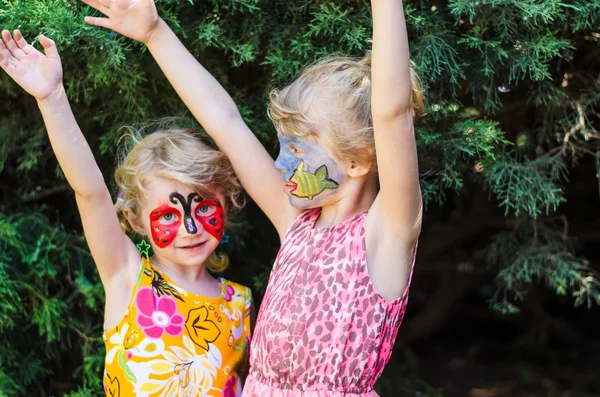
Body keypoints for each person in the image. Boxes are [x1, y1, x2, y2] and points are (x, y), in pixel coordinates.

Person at [79, 0, 424, 394]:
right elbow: (225, 120)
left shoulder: (386, 235)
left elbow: (392, 113)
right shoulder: (296, 224)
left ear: (358, 161)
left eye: (296, 150)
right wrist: (156, 35)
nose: (279, 164)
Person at [0, 29, 252, 397]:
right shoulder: (128, 278)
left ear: (224, 203)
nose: (190, 226)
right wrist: (52, 99)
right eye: (168, 215)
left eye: (204, 206)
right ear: (134, 220)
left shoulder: (239, 304)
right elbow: (90, 193)